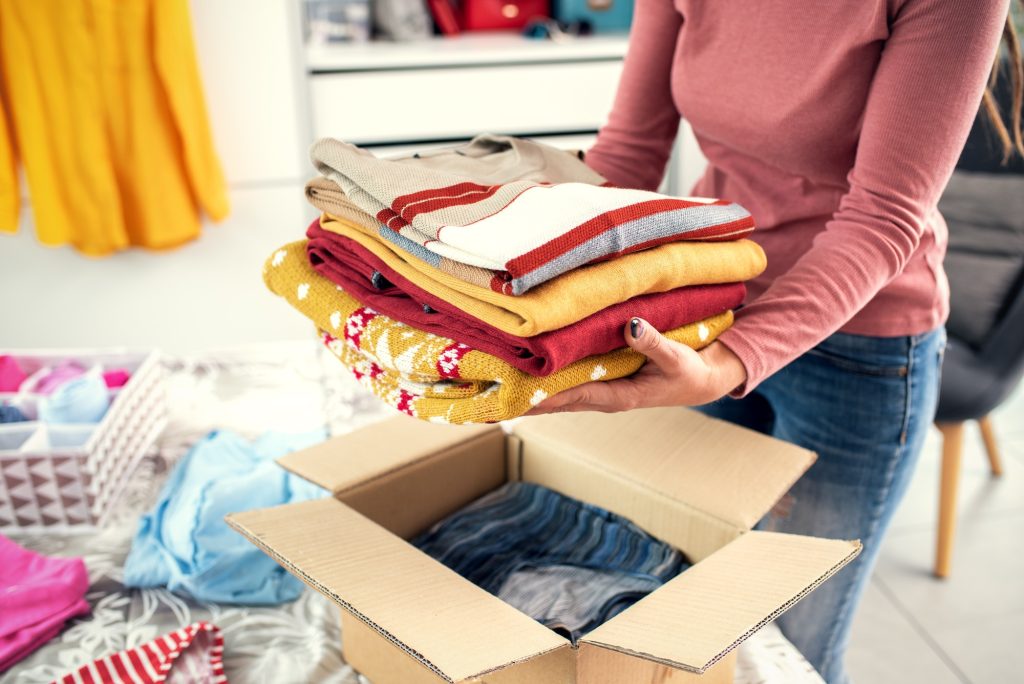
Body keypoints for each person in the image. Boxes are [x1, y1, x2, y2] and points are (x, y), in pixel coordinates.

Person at [529, 1, 1023, 681]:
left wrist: (729, 364)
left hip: (862, 344)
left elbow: (883, 217)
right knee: (691, 597)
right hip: (711, 309)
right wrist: (514, 265)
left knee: (791, 648)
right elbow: (629, 152)